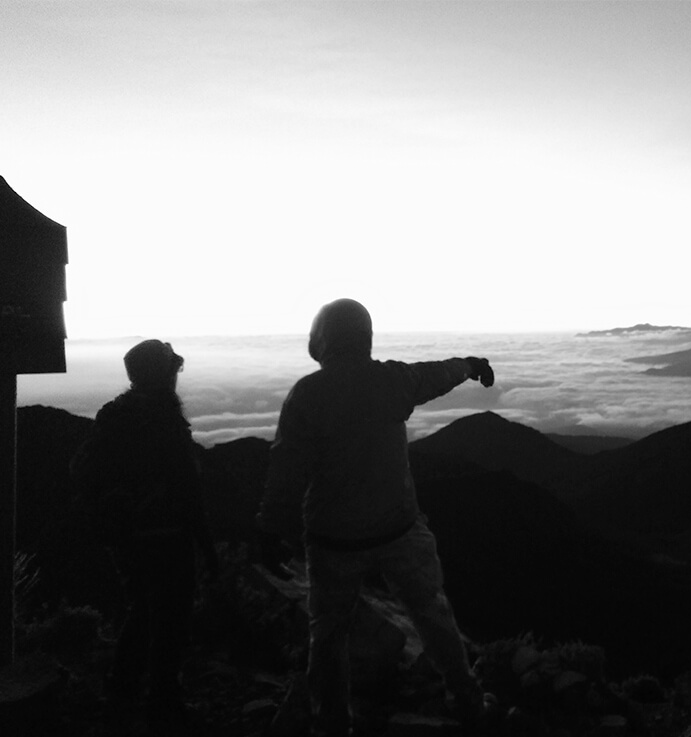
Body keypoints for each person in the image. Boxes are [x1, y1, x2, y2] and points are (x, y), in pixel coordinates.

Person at [256, 298, 495, 737]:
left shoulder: (307, 394)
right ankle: (468, 702)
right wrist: (471, 364)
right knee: (432, 615)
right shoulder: (392, 382)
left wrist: (271, 529)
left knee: (328, 635)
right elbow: (438, 373)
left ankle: (332, 722)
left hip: (332, 539)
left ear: (322, 339)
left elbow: (285, 469)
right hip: (399, 529)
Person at [70, 339, 218, 730]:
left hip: (128, 537)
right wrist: (208, 546)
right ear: (163, 374)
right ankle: (163, 703)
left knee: (141, 611)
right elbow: (188, 490)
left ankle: (122, 694)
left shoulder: (114, 416)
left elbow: (84, 471)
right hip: (167, 536)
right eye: (173, 369)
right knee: (170, 620)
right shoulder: (165, 419)